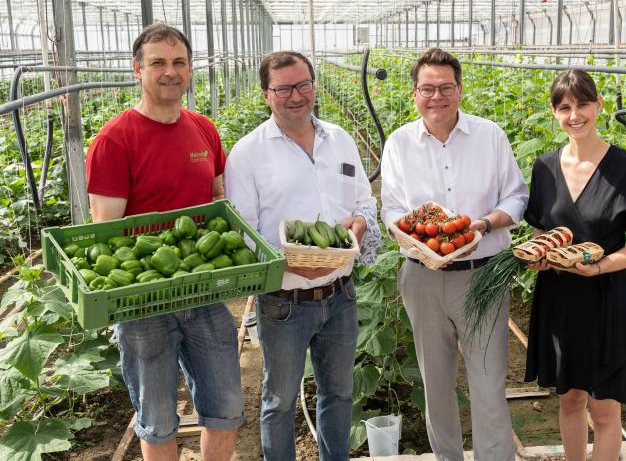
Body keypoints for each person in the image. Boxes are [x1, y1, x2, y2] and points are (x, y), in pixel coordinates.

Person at [85, 23, 243, 461]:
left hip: (206, 289)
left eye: (178, 63)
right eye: (157, 63)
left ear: (190, 69)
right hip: (144, 305)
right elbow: (106, 235)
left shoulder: (204, 129)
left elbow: (218, 200)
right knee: (156, 417)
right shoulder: (115, 139)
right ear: (138, 70)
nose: (169, 72)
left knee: (226, 406)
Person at [224, 51, 380, 460]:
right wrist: (287, 262)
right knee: (279, 402)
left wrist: (361, 224)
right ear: (266, 94)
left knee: (339, 394)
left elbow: (364, 198)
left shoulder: (340, 138)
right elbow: (243, 233)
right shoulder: (247, 153)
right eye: (284, 89)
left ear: (314, 85)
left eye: (304, 85)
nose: (296, 96)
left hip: (341, 294)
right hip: (284, 302)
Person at [380, 48, 528, 461]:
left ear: (460, 90)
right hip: (422, 275)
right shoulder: (399, 144)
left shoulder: (490, 136)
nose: (437, 96)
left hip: (483, 274)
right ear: (415, 94)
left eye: (446, 87)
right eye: (427, 88)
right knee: (436, 381)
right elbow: (391, 208)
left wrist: (482, 224)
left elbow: (516, 195)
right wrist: (414, 236)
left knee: (487, 382)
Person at [524, 69, 626, 461]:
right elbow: (541, 232)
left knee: (604, 408)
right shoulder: (544, 169)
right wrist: (538, 255)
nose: (575, 115)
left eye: (583, 104)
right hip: (560, 300)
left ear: (599, 105)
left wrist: (600, 267)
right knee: (569, 399)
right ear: (554, 112)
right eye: (565, 107)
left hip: (606, 298)